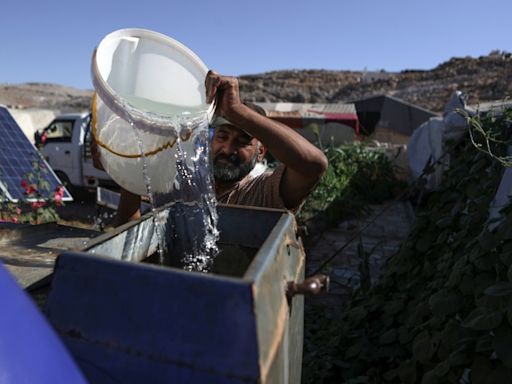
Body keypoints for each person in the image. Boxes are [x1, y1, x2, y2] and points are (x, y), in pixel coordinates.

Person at [96, 71, 328, 225]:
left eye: (242, 141)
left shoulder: (265, 192)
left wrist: (237, 111)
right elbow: (129, 234)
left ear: (260, 152)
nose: (227, 149)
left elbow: (313, 166)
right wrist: (131, 173)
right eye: (223, 136)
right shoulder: (182, 184)